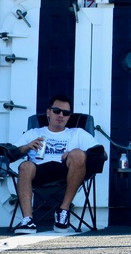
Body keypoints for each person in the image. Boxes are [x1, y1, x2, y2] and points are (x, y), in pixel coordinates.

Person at [13, 94, 100, 234]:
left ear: (69, 116)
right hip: (38, 171)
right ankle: (28, 220)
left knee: (78, 154)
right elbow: (12, 153)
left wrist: (75, 153)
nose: (61, 115)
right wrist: (27, 147)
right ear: (48, 112)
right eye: (56, 111)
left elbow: (101, 154)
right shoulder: (34, 132)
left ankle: (63, 211)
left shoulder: (77, 133)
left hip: (65, 171)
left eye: (65, 113)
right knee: (25, 166)